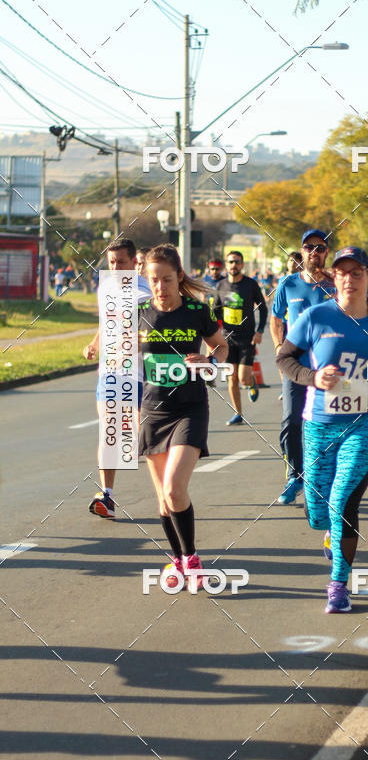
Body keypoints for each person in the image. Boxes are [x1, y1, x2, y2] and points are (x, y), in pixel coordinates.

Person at [277, 246, 368, 613]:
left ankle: (339, 583)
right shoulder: (314, 317)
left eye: (357, 272)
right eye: (343, 273)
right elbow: (284, 358)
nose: (350, 279)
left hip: (366, 423)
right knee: (318, 513)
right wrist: (311, 377)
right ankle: (330, 534)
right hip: (318, 424)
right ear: (334, 278)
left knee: (342, 503)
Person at [139, 244, 229, 589]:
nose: (160, 287)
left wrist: (210, 362)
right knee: (164, 498)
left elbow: (221, 345)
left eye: (166, 279)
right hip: (153, 410)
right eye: (154, 280)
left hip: (189, 409)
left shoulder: (196, 310)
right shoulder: (141, 312)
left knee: (176, 487)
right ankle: (177, 559)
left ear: (179, 277)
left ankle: (191, 560)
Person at [83, 238, 151, 519]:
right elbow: (105, 322)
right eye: (111, 262)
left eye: (121, 262)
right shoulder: (106, 287)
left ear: (134, 262)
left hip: (138, 373)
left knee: (141, 434)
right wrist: (95, 343)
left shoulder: (145, 292)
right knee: (109, 429)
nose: (115, 267)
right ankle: (107, 495)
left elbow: (154, 333)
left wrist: (136, 340)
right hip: (110, 370)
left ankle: (170, 493)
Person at [270, 229, 336, 504]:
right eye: (309, 247)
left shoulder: (335, 285)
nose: (314, 252)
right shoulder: (289, 284)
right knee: (291, 420)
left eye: (320, 248)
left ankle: (324, 479)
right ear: (302, 250)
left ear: (326, 253)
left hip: (328, 366)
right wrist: (278, 348)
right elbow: (276, 318)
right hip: (295, 364)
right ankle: (294, 477)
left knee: (327, 423)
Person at [213, 250, 268, 425]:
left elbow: (263, 308)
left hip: (247, 338)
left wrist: (259, 331)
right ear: (226, 265)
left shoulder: (250, 285)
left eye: (237, 262)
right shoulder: (221, 286)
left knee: (243, 378)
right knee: (232, 377)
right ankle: (238, 413)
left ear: (242, 265)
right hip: (227, 339)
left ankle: (252, 383)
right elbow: (215, 311)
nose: (234, 265)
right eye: (230, 262)